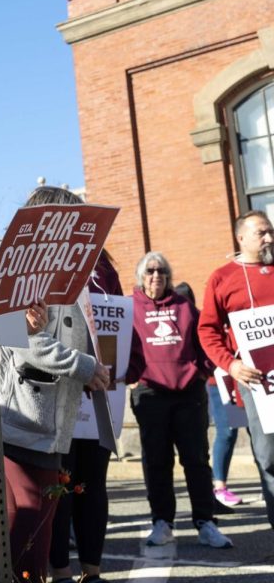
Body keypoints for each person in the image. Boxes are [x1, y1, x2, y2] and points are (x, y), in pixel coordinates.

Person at [0, 186, 110, 583]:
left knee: (38, 537)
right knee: (23, 539)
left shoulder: (70, 279)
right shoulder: (19, 272)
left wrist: (94, 368)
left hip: (55, 428)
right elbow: (25, 343)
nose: (80, 232)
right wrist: (84, 367)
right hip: (23, 425)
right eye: (72, 222)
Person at [128, 252, 230, 549]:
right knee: (156, 461)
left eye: (161, 271)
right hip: (149, 393)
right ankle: (162, 522)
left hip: (188, 394)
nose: (156, 276)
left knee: (196, 460)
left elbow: (207, 340)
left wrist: (202, 372)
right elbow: (115, 342)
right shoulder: (130, 306)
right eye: (149, 271)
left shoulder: (184, 306)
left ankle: (205, 522)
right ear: (140, 277)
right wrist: (127, 375)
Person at [50, 249, 124, 583]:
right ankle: (61, 572)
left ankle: (92, 571)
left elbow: (120, 322)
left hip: (102, 392)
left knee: (93, 485)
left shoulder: (104, 268)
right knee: (61, 486)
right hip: (59, 389)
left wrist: (125, 364)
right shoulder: (42, 266)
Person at [198, 210, 274, 532]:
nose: (269, 238)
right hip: (257, 383)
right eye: (262, 233)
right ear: (241, 237)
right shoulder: (222, 278)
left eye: (271, 231)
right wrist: (231, 364)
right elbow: (208, 330)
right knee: (269, 457)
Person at [180, 280, 246, 510]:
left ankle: (220, 485)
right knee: (226, 431)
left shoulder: (232, 317)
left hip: (241, 380)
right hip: (218, 383)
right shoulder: (204, 321)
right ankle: (219, 487)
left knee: (236, 431)